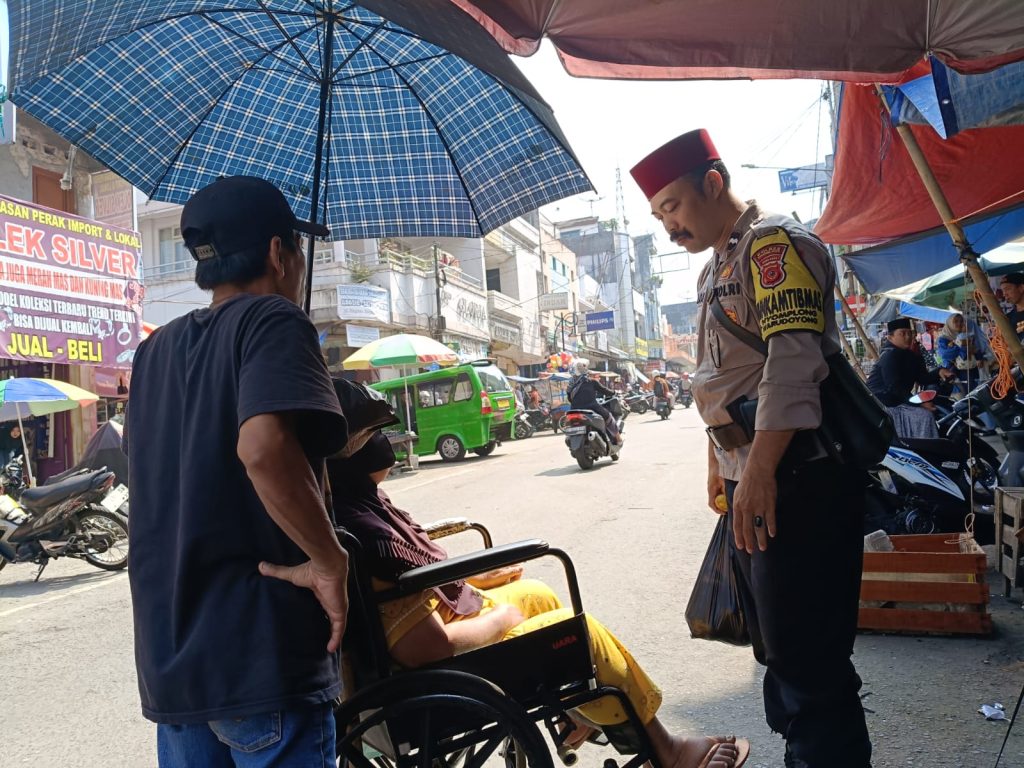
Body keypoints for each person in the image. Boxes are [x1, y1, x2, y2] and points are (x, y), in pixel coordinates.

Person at [631, 129, 872, 768]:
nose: (668, 228)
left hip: (798, 475)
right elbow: (726, 375)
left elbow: (791, 365)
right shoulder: (719, 263)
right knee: (781, 646)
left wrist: (759, 470)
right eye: (658, 217)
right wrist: (724, 463)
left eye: (673, 207)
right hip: (760, 473)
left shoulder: (772, 245)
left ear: (713, 181)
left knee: (807, 654)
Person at [326, 417, 749, 768]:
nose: (385, 442)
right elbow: (426, 648)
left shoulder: (362, 505)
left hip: (429, 641)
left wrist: (472, 584)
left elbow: (421, 583)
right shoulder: (367, 536)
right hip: (427, 672)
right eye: (371, 436)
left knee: (535, 593)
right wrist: (500, 619)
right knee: (574, 631)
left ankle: (576, 713)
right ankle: (667, 750)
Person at [126, 176, 350, 766]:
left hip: (174, 666)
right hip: (260, 654)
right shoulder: (273, 321)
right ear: (280, 254)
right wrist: (329, 561)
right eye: (298, 254)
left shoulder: (154, 352)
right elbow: (262, 450)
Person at [867, 318, 955, 439]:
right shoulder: (889, 355)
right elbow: (894, 387)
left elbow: (922, 378)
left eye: (909, 333)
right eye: (902, 333)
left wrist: (939, 371)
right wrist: (919, 404)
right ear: (890, 337)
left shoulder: (910, 355)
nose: (907, 336)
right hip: (884, 406)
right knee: (925, 416)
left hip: (899, 401)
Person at [568, 359, 621, 444]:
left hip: (574, 409)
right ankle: (618, 439)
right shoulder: (591, 381)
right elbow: (605, 390)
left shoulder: (571, 385)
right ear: (584, 369)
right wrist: (614, 392)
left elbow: (569, 399)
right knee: (609, 417)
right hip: (592, 407)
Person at [935, 313, 986, 390]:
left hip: (972, 368)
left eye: (961, 321)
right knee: (967, 393)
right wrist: (963, 349)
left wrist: (979, 357)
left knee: (978, 390)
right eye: (956, 321)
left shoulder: (966, 334)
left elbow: (975, 347)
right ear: (950, 323)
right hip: (954, 372)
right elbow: (945, 354)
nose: (959, 323)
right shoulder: (943, 339)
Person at [999, 272, 1024, 341]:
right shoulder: (1008, 318)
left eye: (1007, 289)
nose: (1004, 294)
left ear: (1021, 288)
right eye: (1003, 291)